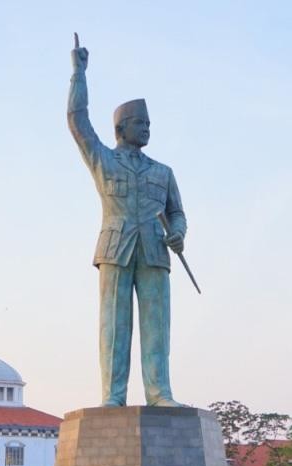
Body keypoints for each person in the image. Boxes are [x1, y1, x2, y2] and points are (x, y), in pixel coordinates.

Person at [68, 38, 187, 407]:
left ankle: (159, 393)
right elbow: (77, 120)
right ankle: (113, 397)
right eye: (140, 123)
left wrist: (179, 232)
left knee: (157, 329)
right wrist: (79, 74)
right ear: (121, 128)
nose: (147, 128)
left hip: (154, 252)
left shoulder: (163, 171)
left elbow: (177, 211)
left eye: (149, 123)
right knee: (114, 328)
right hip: (116, 250)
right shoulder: (104, 159)